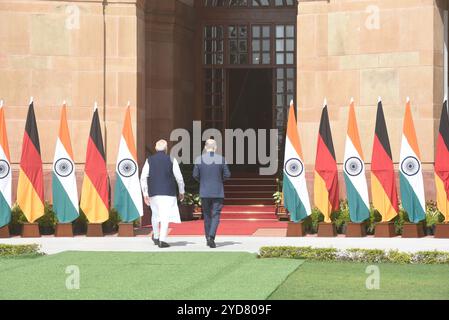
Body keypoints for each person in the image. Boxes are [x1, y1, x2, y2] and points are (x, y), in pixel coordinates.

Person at [140, 139, 185, 248]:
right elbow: (179, 178)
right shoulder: (172, 159)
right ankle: (162, 240)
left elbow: (143, 177)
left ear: (155, 148)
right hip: (168, 192)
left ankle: (156, 236)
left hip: (154, 192)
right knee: (165, 216)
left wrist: (145, 193)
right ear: (166, 149)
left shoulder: (149, 160)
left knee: (155, 215)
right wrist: (181, 191)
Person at [193, 139, 231, 248]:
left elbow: (195, 175)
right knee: (215, 215)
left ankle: (207, 238)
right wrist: (219, 180)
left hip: (204, 191)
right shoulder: (221, 159)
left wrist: (203, 182)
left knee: (206, 215)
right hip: (217, 191)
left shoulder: (199, 159)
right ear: (215, 147)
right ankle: (211, 237)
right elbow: (227, 174)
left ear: (205, 147)